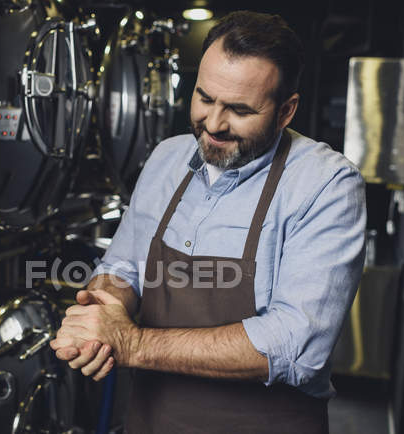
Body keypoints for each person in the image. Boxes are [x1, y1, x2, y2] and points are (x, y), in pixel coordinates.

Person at [50, 10, 366, 434]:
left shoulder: (325, 184)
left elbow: (296, 344)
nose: (214, 125)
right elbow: (124, 267)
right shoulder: (166, 157)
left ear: (286, 110)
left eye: (239, 109)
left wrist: (132, 343)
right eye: (205, 98)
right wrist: (99, 315)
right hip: (151, 421)